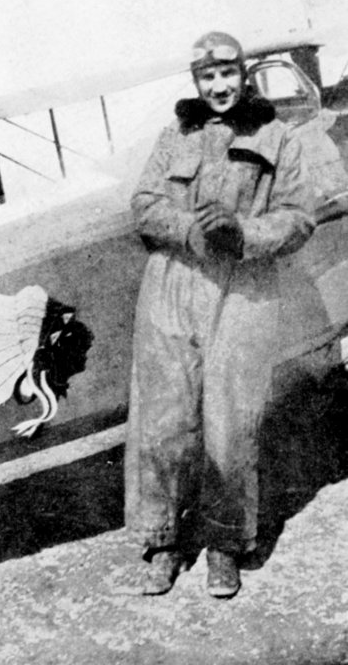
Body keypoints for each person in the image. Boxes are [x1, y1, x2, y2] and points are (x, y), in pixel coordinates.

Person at [124, 31, 316, 598]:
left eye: (228, 73)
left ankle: (225, 546)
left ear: (244, 74)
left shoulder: (278, 137)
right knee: (165, 420)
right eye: (207, 77)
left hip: (243, 286)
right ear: (196, 82)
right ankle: (163, 541)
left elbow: (298, 217)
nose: (219, 86)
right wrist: (188, 228)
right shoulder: (173, 136)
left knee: (231, 423)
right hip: (172, 283)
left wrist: (243, 232)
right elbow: (144, 205)